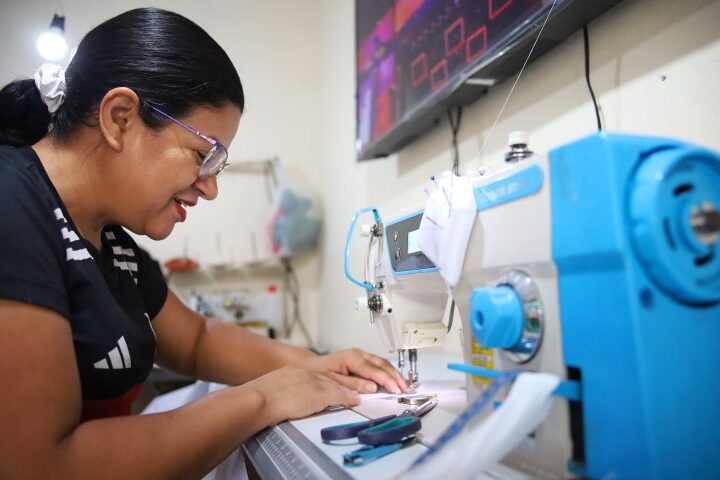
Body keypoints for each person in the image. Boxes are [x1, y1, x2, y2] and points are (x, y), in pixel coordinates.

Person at [0, 8, 406, 479]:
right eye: (203, 155)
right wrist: (265, 397)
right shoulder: (12, 207)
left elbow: (195, 340)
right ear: (120, 118)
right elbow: (41, 465)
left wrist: (317, 366)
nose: (210, 187)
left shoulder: (111, 242)